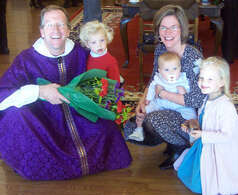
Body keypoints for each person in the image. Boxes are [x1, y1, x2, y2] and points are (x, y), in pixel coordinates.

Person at [0, 5, 131, 180]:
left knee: (106, 127)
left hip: (80, 115)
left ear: (69, 30)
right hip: (44, 121)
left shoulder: (81, 52)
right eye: (49, 25)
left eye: (61, 25)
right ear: (42, 31)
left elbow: (106, 75)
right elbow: (4, 94)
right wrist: (39, 91)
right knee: (15, 117)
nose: (55, 30)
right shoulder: (26, 60)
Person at [122, 5, 205, 170]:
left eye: (173, 27)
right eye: (163, 27)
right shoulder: (160, 50)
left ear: (181, 29)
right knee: (131, 126)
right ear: (157, 30)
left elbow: (196, 99)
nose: (168, 32)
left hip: (191, 119)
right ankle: (171, 141)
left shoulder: (192, 56)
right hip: (166, 107)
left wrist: (164, 94)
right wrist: (142, 101)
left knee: (154, 119)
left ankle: (181, 148)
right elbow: (155, 78)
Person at [173, 57, 238, 195]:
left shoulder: (225, 106)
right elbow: (203, 120)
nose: (203, 83)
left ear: (221, 82)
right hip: (206, 145)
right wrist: (192, 125)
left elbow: (227, 135)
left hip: (221, 151)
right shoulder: (207, 98)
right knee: (188, 171)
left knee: (203, 185)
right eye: (201, 78)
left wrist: (203, 135)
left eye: (209, 79)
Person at [128, 52, 196, 141]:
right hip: (161, 104)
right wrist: (148, 99)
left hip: (180, 106)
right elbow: (152, 87)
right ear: (160, 71)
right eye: (166, 70)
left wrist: (183, 91)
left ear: (180, 68)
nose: (171, 72)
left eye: (175, 68)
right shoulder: (159, 78)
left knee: (192, 116)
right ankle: (139, 130)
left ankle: (193, 136)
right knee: (145, 111)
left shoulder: (183, 79)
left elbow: (188, 94)